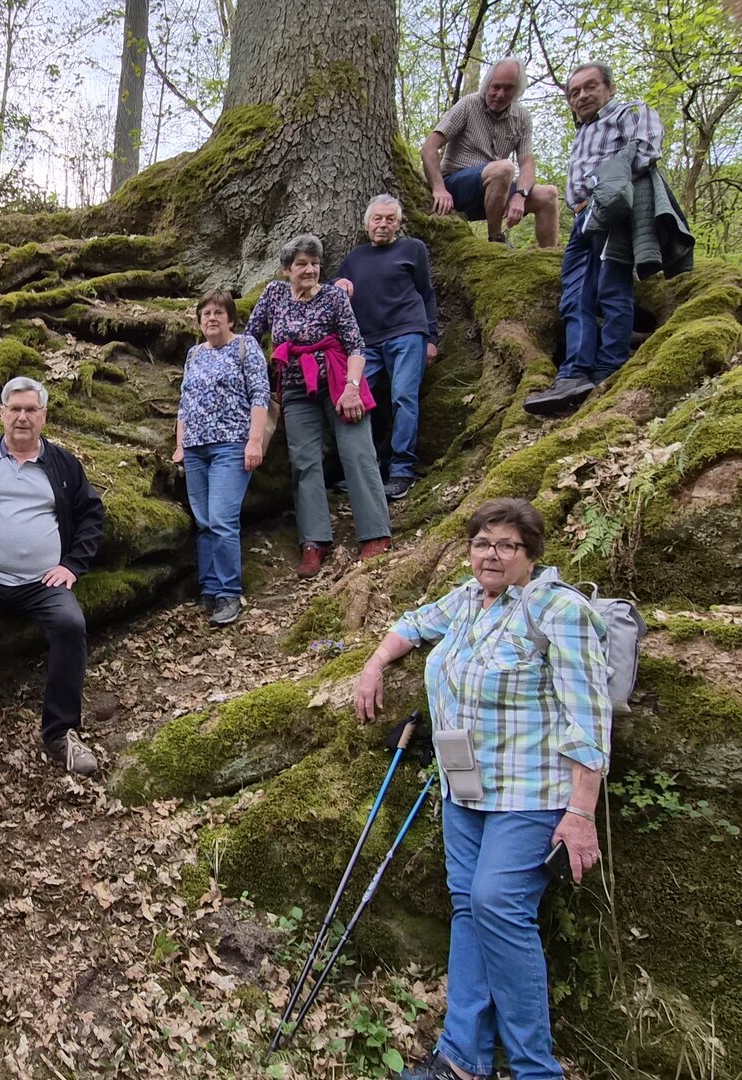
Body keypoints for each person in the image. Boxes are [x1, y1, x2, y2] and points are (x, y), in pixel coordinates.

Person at [354, 497, 611, 1080]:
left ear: (530, 553)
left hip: (530, 792)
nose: (491, 555)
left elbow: (589, 719)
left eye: (506, 545)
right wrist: (374, 665)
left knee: (498, 905)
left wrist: (581, 812)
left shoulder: (558, 609)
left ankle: (535, 1068)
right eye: (481, 543)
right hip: (464, 785)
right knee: (469, 907)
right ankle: (462, 1057)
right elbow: (413, 624)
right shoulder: (468, 599)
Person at [0, 376, 106, 775]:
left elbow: (91, 515)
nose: (22, 417)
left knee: (71, 625)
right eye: (15, 409)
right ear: (2, 413)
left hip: (43, 582)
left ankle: (60, 733)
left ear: (44, 416)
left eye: (30, 410)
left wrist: (72, 565)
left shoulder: (62, 463)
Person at [244, 235, 391, 578]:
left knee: (357, 453)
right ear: (286, 269)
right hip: (295, 388)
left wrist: (352, 389)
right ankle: (313, 541)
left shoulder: (334, 297)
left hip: (338, 382)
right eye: (302, 264)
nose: (310, 270)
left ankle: (376, 534)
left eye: (315, 263)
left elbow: (356, 347)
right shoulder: (273, 294)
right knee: (304, 462)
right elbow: (250, 339)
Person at [523, 63, 664, 416]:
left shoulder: (629, 112)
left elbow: (646, 150)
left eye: (590, 87)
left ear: (609, 88)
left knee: (611, 289)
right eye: (575, 92)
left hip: (610, 209)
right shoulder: (583, 131)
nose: (582, 96)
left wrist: (603, 185)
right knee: (574, 295)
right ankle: (574, 373)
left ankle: (609, 370)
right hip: (581, 217)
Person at [172, 290, 272, 624]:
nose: (212, 318)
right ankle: (210, 588)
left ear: (231, 319)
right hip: (195, 448)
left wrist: (254, 442)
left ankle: (229, 592)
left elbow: (260, 395)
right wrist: (180, 444)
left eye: (219, 312)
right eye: (206, 313)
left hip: (231, 445)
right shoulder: (194, 354)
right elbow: (185, 402)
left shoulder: (245, 346)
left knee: (221, 519)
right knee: (203, 522)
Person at [334, 194, 440, 501]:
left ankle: (401, 471)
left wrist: (431, 339)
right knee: (354, 400)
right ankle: (365, 470)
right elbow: (334, 285)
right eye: (377, 219)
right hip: (365, 342)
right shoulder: (355, 258)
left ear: (399, 224)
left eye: (390, 219)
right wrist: (338, 283)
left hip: (407, 333)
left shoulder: (413, 249)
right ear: (367, 224)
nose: (383, 224)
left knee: (403, 398)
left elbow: (426, 293)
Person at [421, 58, 559, 247]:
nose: (500, 94)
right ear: (487, 85)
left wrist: (520, 196)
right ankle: (496, 240)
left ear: (517, 91)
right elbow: (429, 147)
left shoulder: (522, 117)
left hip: (495, 193)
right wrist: (439, 189)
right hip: (457, 188)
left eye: (508, 88)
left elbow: (527, 163)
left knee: (548, 195)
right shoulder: (468, 104)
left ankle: (549, 256)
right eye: (496, 87)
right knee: (504, 168)